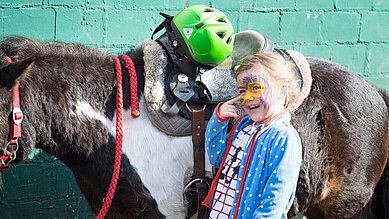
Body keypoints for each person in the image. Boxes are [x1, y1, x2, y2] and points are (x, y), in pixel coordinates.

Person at [202, 52, 302, 219]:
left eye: (255, 87)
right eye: (242, 90)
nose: (246, 97)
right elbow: (217, 157)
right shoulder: (244, 126)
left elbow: (275, 199)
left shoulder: (283, 137)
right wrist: (218, 121)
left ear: (282, 90)